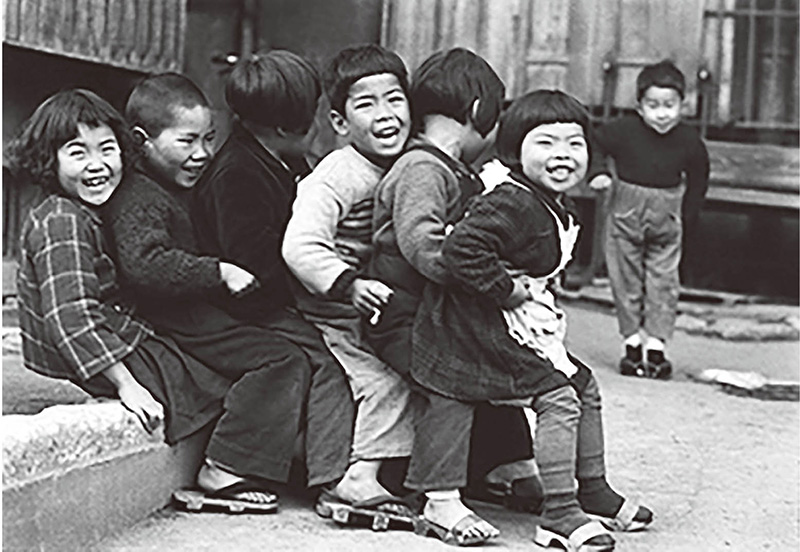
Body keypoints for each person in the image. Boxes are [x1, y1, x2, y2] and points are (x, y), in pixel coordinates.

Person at [413, 90, 654, 552]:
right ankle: (559, 513)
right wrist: (506, 289)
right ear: (515, 150)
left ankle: (592, 488)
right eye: (545, 142)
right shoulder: (511, 201)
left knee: (583, 384)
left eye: (575, 143)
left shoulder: (549, 202)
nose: (562, 154)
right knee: (559, 396)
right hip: (472, 327)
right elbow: (462, 249)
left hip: (507, 322)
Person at [102, 73, 354, 513]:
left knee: (293, 353)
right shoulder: (139, 196)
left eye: (208, 138)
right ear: (142, 141)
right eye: (187, 141)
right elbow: (145, 264)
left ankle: (305, 464)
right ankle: (225, 465)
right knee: (279, 359)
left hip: (203, 310)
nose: (202, 153)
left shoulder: (179, 185)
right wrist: (217, 272)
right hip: (179, 317)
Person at [10, 88, 240, 507]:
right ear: (48, 161)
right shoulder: (61, 219)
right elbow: (72, 317)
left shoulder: (86, 211)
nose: (97, 164)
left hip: (122, 335)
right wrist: (126, 386)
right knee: (215, 389)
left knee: (211, 374)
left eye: (107, 149)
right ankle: (224, 472)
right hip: (106, 351)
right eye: (78, 153)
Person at [367, 47, 508, 545]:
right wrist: (491, 280)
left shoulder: (455, 169)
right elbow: (423, 245)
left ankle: (510, 465)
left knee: (506, 360)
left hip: (438, 311)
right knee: (453, 377)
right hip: (403, 315)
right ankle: (440, 499)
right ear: (478, 111)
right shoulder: (422, 169)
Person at [281, 44, 421, 528]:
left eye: (395, 99)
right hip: (332, 310)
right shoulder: (338, 174)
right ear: (340, 122)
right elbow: (300, 245)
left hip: (377, 307)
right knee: (382, 381)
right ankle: (359, 476)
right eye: (366, 104)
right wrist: (348, 285)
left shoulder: (409, 163)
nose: (385, 115)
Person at [588, 60, 710, 379]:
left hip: (667, 218)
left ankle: (656, 347)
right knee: (624, 278)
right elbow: (594, 142)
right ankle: (631, 344)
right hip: (625, 214)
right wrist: (598, 173)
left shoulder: (689, 141)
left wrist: (689, 214)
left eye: (670, 105)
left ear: (683, 105)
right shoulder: (622, 131)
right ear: (639, 106)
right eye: (653, 105)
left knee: (664, 283)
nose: (662, 114)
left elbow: (699, 177)